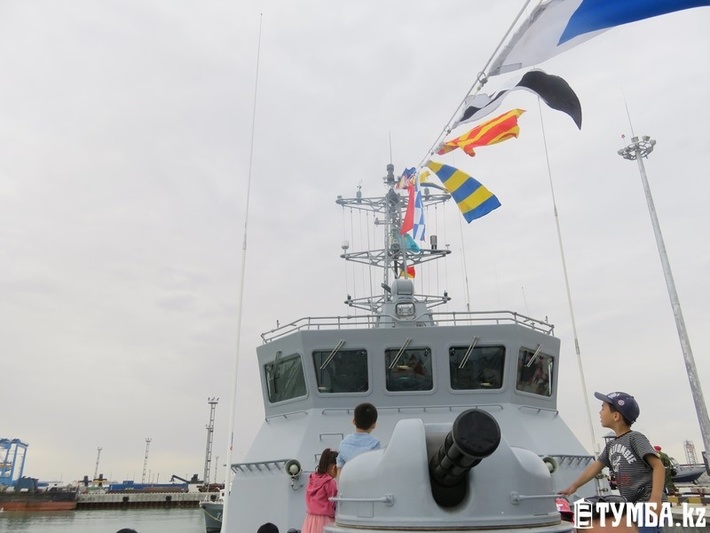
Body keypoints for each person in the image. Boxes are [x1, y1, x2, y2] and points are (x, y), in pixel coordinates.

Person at [559, 391, 665, 533]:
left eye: (603, 408)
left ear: (616, 416)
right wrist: (574, 486)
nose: (600, 412)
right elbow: (595, 467)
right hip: (631, 506)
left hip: (647, 504)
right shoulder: (611, 446)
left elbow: (658, 466)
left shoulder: (635, 438)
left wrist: (655, 499)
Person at [301, 448, 339, 533]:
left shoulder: (312, 479)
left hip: (310, 519)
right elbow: (334, 503)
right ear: (333, 467)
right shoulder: (330, 482)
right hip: (325, 520)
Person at [337, 402, 380, 468]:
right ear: (374, 425)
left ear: (354, 421)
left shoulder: (344, 442)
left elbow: (339, 466)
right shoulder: (375, 443)